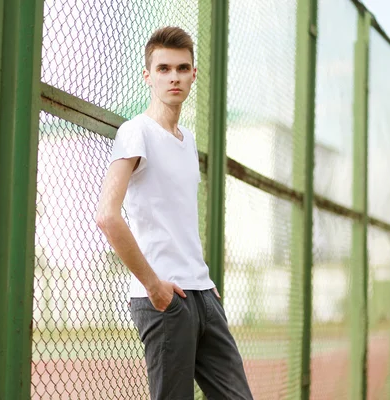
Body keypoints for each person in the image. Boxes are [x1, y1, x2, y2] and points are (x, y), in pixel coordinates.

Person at [96, 26, 253, 400]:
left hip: (202, 292)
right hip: (165, 298)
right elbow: (107, 215)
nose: (174, 77)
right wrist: (154, 285)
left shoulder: (188, 141)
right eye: (163, 68)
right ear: (147, 75)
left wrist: (206, 283)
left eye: (182, 68)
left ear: (193, 74)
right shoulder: (137, 132)